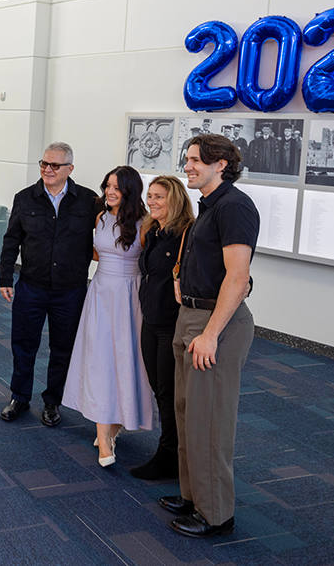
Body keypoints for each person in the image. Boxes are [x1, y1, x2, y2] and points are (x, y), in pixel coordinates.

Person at [161, 134, 259, 539]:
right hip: (192, 316)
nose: (188, 166)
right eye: (187, 159)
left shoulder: (235, 206)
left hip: (215, 326)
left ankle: (216, 514)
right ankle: (193, 495)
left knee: (210, 422)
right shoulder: (209, 205)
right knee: (188, 415)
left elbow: (238, 279)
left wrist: (211, 334)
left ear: (221, 164)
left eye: (196, 160)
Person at [0, 142, 98, 427]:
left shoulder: (88, 201)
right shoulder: (25, 198)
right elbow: (11, 240)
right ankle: (20, 396)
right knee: (23, 344)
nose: (48, 170)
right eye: (44, 164)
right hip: (31, 285)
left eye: (55, 165)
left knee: (63, 348)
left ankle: (53, 401)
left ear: (70, 169)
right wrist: (6, 277)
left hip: (71, 290)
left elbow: (108, 233)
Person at [62, 166, 152, 466]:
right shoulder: (100, 217)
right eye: (108, 186)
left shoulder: (145, 222)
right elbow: (100, 252)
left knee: (127, 360)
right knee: (100, 360)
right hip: (100, 292)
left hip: (129, 296)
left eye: (117, 188)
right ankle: (103, 440)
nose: (110, 192)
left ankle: (113, 429)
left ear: (130, 191)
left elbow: (146, 259)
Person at [131, 175, 195, 481]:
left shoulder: (186, 234)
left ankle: (170, 456)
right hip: (150, 321)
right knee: (160, 390)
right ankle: (173, 450)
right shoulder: (152, 231)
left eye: (159, 197)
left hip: (172, 324)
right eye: (150, 196)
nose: (152, 202)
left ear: (176, 200)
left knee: (169, 393)